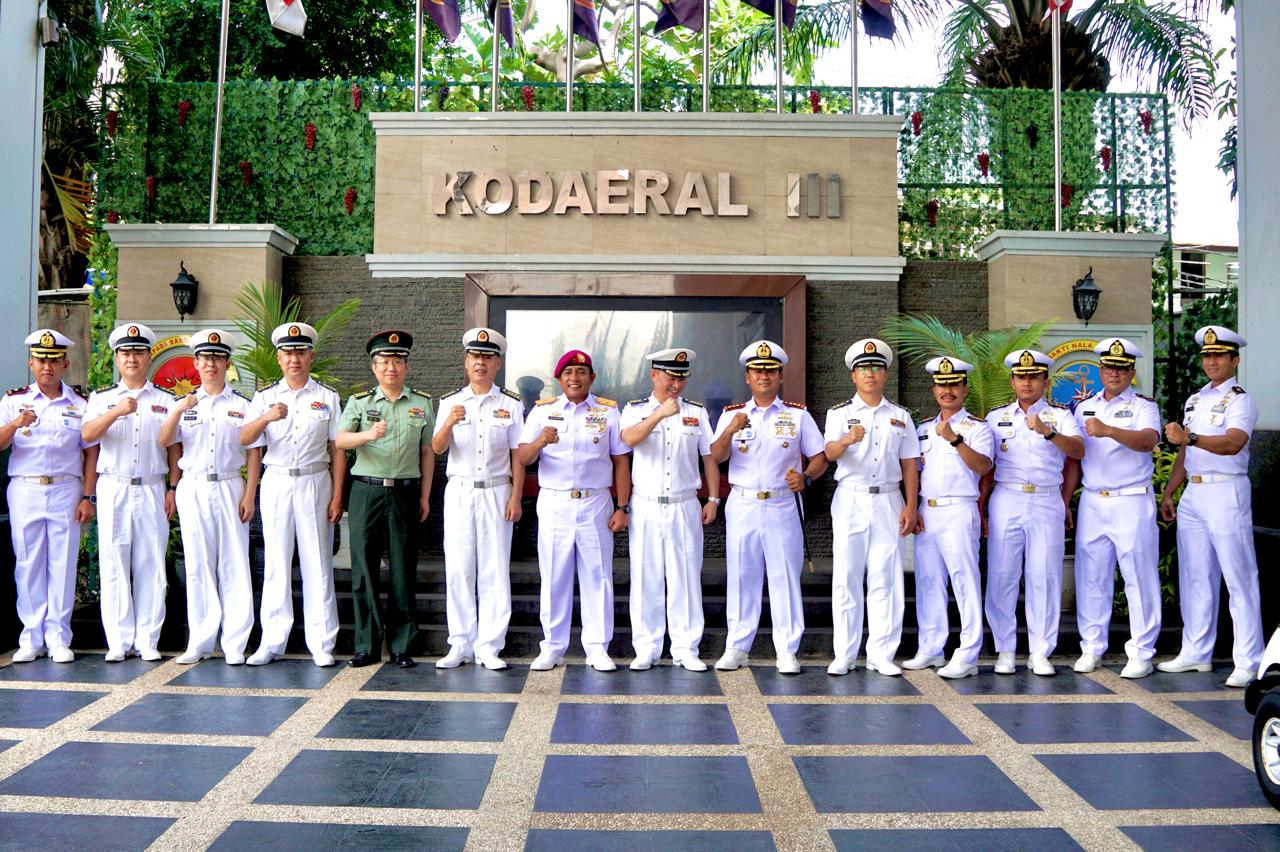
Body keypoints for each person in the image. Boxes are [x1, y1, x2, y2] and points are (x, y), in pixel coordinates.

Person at [710, 340, 826, 675]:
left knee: (784, 576)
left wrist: (805, 477)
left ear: (780, 376)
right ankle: (737, 647)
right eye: (757, 370)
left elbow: (819, 457)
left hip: (782, 503)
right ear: (747, 377)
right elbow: (715, 456)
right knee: (742, 575)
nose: (764, 376)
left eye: (771, 370)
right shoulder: (732, 415)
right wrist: (730, 430)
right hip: (743, 502)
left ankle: (787, 650)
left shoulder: (797, 415)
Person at [1159, 325, 1262, 688]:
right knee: (1196, 576)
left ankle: (1248, 660)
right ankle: (1196, 652)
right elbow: (1185, 454)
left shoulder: (1240, 400)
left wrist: (1190, 437)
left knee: (1239, 576)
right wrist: (1170, 492)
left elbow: (1233, 443)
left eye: (1219, 356)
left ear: (1235, 360)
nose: (1212, 362)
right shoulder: (1196, 399)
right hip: (1195, 493)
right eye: (1207, 356)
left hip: (1226, 490)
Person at [517, 349, 630, 672]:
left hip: (596, 502)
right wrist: (540, 442)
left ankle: (597, 648)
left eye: (581, 372)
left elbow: (621, 462)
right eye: (568, 373)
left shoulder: (608, 411)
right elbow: (523, 457)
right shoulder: (542, 411)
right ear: (559, 379)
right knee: (554, 577)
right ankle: (552, 647)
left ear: (591, 378)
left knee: (598, 576)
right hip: (555, 502)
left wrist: (622, 507)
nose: (575, 378)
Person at [240, 323, 345, 668]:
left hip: (316, 480)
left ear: (311, 356)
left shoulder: (327, 397)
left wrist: (337, 495)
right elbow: (245, 439)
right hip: (278, 480)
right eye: (288, 353)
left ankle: (322, 642)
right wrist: (268, 417)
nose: (294, 359)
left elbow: (338, 448)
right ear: (278, 358)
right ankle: (272, 642)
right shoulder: (264, 397)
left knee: (318, 562)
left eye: (300, 352)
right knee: (276, 562)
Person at [158, 329, 263, 665]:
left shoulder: (243, 405)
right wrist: (179, 409)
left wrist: (250, 493)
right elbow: (164, 440)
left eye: (218, 358)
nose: (211, 364)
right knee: (198, 565)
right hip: (193, 486)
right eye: (205, 358)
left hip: (230, 484)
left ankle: (235, 643)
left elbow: (254, 452)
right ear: (196, 363)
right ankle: (200, 642)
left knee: (234, 563)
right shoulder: (184, 403)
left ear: (227, 364)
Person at [982, 349, 1084, 677]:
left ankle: (1040, 651)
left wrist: (1047, 431)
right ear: (1013, 381)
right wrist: (981, 507)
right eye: (1021, 376)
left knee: (1045, 576)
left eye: (1034, 377)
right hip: (1007, 497)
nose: (1027, 382)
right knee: (1002, 575)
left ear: (1045, 382)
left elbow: (1078, 452)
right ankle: (1005, 649)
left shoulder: (1061, 416)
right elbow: (987, 467)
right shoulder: (995, 417)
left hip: (1046, 499)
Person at [337, 330, 435, 669]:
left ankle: (401, 645)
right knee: (364, 568)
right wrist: (368, 434)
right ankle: (366, 645)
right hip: (367, 490)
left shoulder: (422, 403)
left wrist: (425, 495)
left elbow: (427, 451)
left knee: (403, 568)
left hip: (406, 490)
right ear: (374, 367)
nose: (390, 367)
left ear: (407, 366)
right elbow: (340, 441)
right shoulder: (360, 402)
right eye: (383, 361)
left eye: (397, 360)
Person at [1064, 338, 1161, 679]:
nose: (1114, 373)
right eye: (1108, 367)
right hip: (1093, 499)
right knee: (1091, 576)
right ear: (1100, 370)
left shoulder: (1143, 406)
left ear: (1131, 372)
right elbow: (1076, 457)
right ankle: (1092, 647)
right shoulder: (1083, 407)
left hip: (1131, 498)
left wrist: (1108, 430)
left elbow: (1148, 441)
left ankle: (1142, 652)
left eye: (1121, 368)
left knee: (1138, 577)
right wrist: (1066, 500)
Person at [81, 323, 179, 662]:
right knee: (114, 563)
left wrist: (173, 488)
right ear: (117, 358)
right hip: (114, 485)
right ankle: (119, 641)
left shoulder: (165, 399)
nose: (132, 358)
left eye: (138, 352)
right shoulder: (102, 398)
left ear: (148, 356)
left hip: (151, 486)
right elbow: (87, 436)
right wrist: (116, 412)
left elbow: (174, 449)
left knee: (151, 563)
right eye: (125, 352)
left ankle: (148, 639)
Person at [824, 339, 920, 677]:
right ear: (853, 375)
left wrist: (911, 505)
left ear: (885, 374)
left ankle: (881, 654)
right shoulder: (839, 413)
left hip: (889, 499)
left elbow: (910, 463)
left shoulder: (900, 416)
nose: (870, 373)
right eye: (864, 368)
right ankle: (845, 654)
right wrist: (847, 439)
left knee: (886, 577)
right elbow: (829, 453)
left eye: (876, 368)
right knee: (847, 576)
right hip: (851, 497)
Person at [620, 348, 720, 672]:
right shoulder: (636, 410)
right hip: (646, 504)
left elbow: (709, 457)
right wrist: (659, 415)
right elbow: (628, 439)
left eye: (681, 378)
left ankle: (686, 648)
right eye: (670, 377)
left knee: (685, 578)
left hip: (684, 503)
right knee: (645, 577)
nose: (676, 384)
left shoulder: (696, 412)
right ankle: (646, 648)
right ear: (654, 375)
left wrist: (713, 499)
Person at [0, 329, 96, 663]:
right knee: (28, 563)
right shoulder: (13, 400)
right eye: (41, 360)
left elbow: (91, 452)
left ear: (65, 363)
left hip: (66, 487)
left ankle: (58, 636)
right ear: (31, 363)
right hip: (25, 487)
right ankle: (31, 636)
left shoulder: (80, 403)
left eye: (54, 360)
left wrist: (88, 496)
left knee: (63, 563)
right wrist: (16, 423)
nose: (47, 366)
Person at [431, 328, 525, 671]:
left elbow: (518, 454)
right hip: (460, 490)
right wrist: (449, 422)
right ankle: (460, 643)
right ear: (466, 362)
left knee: (494, 569)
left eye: (487, 357)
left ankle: (489, 646)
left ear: (497, 364)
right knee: (459, 567)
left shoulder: (511, 404)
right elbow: (437, 448)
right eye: (474, 357)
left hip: (497, 490)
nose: (480, 363)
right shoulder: (450, 402)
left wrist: (516, 496)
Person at [904, 356, 992, 680]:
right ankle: (931, 647)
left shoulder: (977, 428)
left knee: (965, 582)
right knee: (929, 582)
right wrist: (914, 507)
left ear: (965, 388)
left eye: (954, 384)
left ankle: (968, 654)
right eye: (942, 385)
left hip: (959, 509)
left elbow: (983, 466)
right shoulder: (923, 429)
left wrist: (955, 438)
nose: (948, 390)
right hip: (928, 511)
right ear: (934, 389)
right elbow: (914, 470)